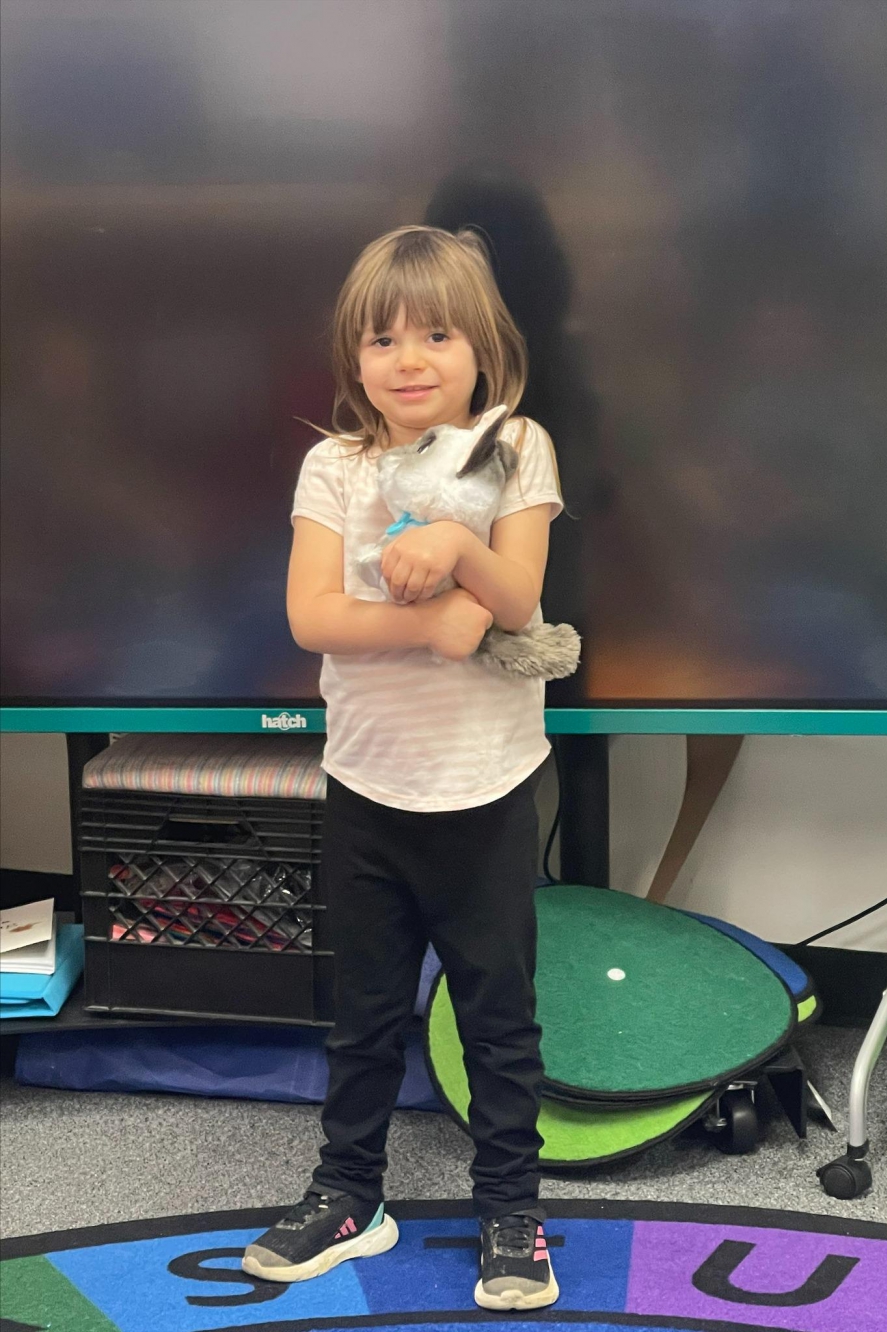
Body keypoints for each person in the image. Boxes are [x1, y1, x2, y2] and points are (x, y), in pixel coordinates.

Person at [242, 225, 563, 1312]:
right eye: (383, 340)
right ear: (354, 356)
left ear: (483, 348)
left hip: (486, 790)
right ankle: (349, 1195)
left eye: (436, 335)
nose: (409, 359)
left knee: (498, 1018)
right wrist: (429, 623)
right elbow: (313, 615)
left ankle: (511, 1210)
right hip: (368, 787)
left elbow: (518, 602)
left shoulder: (515, 447)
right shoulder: (334, 466)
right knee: (365, 1014)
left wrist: (461, 551)